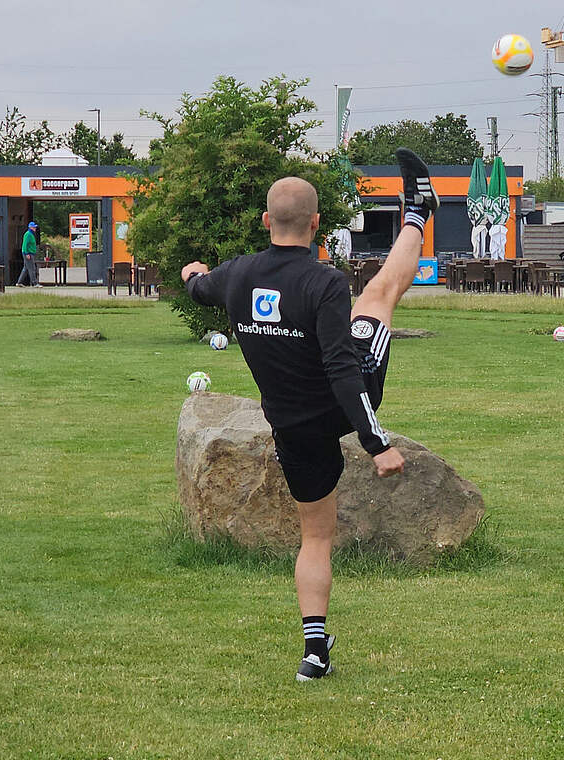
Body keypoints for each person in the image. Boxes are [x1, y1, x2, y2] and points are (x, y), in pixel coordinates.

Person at [180, 148, 439, 680]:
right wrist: (377, 444)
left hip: (293, 429)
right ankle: (418, 212)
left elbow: (199, 288)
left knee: (315, 538)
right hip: (345, 398)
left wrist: (193, 274)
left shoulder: (237, 274)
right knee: (379, 294)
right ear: (316, 223)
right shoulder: (324, 282)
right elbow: (342, 370)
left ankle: (314, 652)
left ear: (265, 221)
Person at [17, 221, 41, 287]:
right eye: (34, 227)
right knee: (32, 268)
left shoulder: (31, 234)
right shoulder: (28, 234)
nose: (35, 228)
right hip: (28, 253)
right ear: (30, 227)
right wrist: (27, 253)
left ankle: (19, 282)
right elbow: (25, 244)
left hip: (30, 253)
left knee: (26, 268)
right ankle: (35, 283)